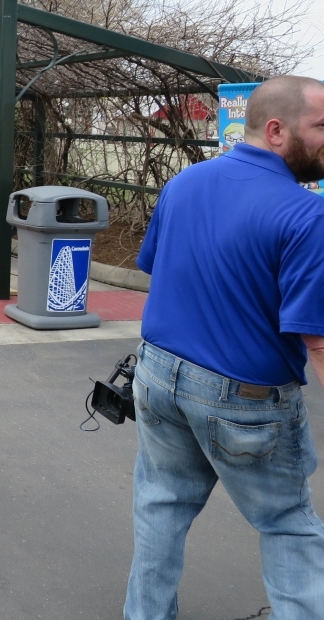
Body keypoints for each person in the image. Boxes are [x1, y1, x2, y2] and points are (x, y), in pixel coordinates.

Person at [126, 75, 324, 620]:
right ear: (279, 129)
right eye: (323, 126)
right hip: (246, 400)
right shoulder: (307, 216)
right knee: (287, 522)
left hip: (159, 377)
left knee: (161, 505)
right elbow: (317, 341)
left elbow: (156, 268)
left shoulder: (184, 184)